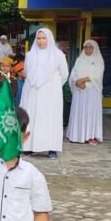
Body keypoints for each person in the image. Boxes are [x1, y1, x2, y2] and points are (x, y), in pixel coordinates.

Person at [20, 28, 69, 159]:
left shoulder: (58, 55)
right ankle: (29, 146)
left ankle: (51, 148)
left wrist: (54, 87)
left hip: (50, 92)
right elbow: (26, 71)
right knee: (32, 116)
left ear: (49, 39)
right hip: (31, 91)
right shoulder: (30, 54)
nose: (41, 41)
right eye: (38, 38)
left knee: (49, 118)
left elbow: (64, 74)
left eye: (44, 38)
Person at [66, 39, 105, 145]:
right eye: (86, 47)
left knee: (90, 113)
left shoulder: (98, 60)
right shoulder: (79, 59)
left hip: (92, 91)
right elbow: (73, 73)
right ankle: (75, 136)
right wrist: (77, 82)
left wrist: (83, 81)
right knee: (78, 113)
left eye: (90, 47)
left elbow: (97, 76)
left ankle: (90, 136)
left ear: (95, 48)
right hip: (79, 90)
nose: (88, 50)